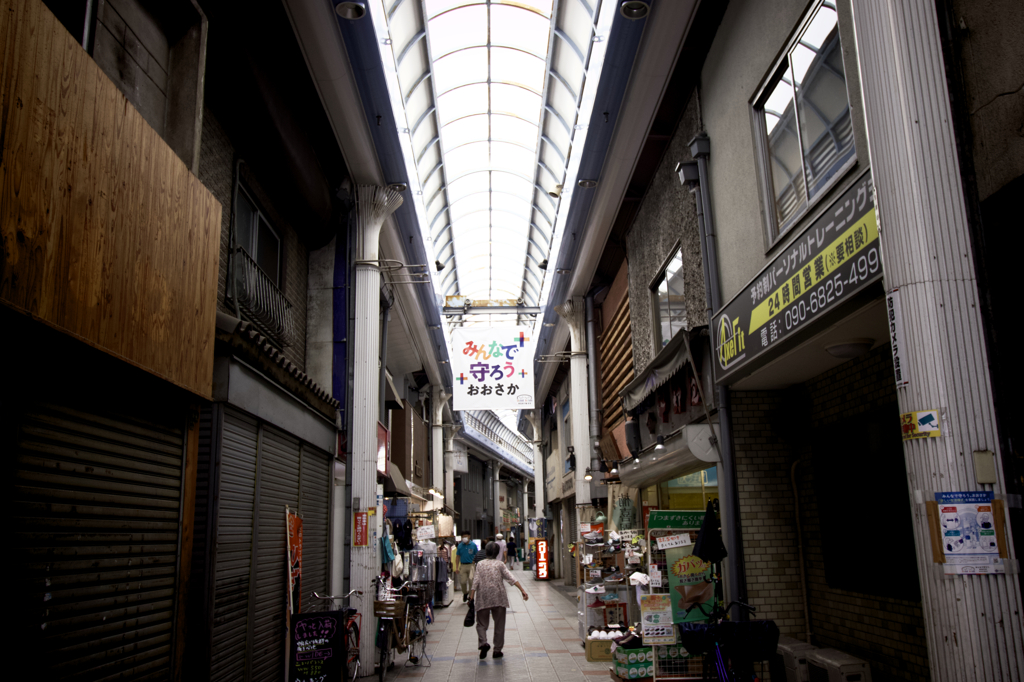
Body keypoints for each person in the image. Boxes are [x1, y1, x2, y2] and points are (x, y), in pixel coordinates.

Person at [469, 542, 529, 659]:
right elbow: (510, 578)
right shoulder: (500, 564)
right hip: (498, 597)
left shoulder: (480, 564)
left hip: (483, 597)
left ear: (486, 552)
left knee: (481, 623)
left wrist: (471, 596)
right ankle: (497, 650)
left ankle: (483, 643)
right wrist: (522, 590)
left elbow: (475, 581)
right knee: (499, 624)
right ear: (497, 553)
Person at [456, 533, 478, 601]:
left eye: (465, 536)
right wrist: (457, 567)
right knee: (462, 582)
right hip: (463, 566)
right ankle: (465, 593)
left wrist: (475, 562)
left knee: (471, 582)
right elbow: (457, 557)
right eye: (463, 537)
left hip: (471, 565)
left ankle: (471, 597)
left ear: (469, 536)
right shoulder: (460, 546)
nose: (464, 538)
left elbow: (476, 555)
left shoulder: (473, 545)